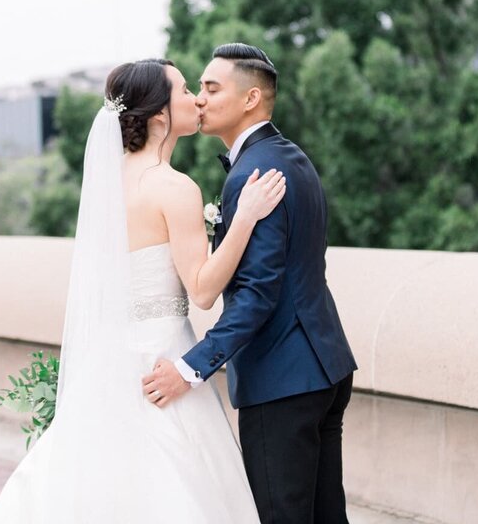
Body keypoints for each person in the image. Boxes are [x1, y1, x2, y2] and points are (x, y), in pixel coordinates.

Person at [0, 57, 285, 523]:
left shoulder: (109, 180)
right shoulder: (173, 187)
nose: (195, 99)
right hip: (162, 359)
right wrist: (244, 217)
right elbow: (203, 290)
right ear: (161, 114)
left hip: (111, 361)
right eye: (185, 90)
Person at [141, 43, 357, 524]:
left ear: (251, 99)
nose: (199, 99)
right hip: (324, 365)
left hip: (282, 379)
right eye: (197, 88)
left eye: (212, 88)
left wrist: (190, 369)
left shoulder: (254, 174)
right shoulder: (290, 157)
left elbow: (257, 295)